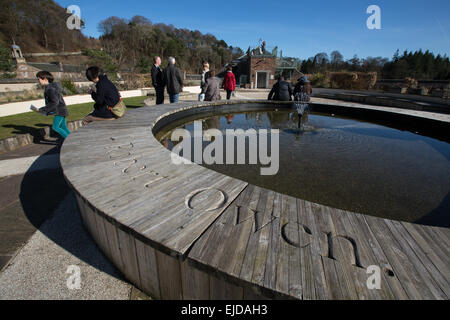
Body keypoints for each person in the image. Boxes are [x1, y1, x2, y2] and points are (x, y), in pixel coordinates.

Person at [31, 71, 70, 140]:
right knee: (63, 127)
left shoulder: (50, 89)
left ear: (45, 79)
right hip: (61, 110)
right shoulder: (51, 87)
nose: (38, 81)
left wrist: (42, 110)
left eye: (39, 79)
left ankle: (70, 141)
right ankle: (73, 139)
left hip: (59, 111)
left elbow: (54, 102)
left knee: (56, 127)